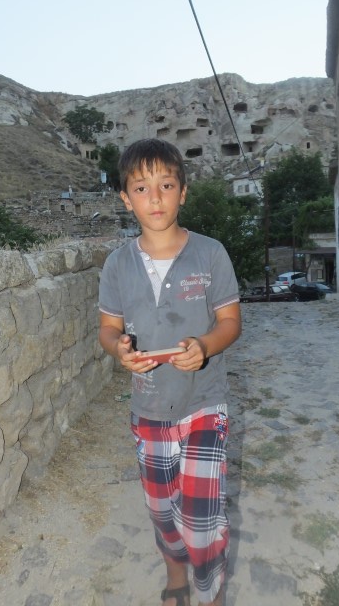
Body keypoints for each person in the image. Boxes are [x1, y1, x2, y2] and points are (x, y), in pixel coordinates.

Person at [98, 138, 241, 606]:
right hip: (149, 407)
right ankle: (175, 575)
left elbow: (230, 322)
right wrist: (119, 349)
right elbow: (108, 329)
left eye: (166, 185)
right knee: (162, 510)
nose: (155, 197)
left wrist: (204, 346)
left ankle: (211, 591)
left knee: (200, 517)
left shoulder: (211, 254)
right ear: (126, 198)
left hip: (204, 402)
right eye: (141, 188)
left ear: (183, 192)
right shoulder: (117, 265)